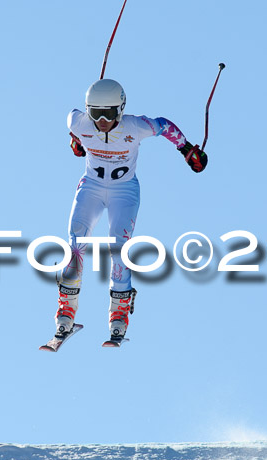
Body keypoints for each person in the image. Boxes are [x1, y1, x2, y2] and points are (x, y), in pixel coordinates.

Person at [54, 78, 208, 341]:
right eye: (96, 113)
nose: (102, 121)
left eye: (109, 113)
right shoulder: (77, 121)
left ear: (121, 109)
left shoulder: (135, 126)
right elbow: (75, 130)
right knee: (76, 242)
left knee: (118, 246)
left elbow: (164, 126)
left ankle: (119, 312)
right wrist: (78, 140)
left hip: (123, 191)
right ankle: (67, 309)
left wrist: (186, 149)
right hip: (91, 187)